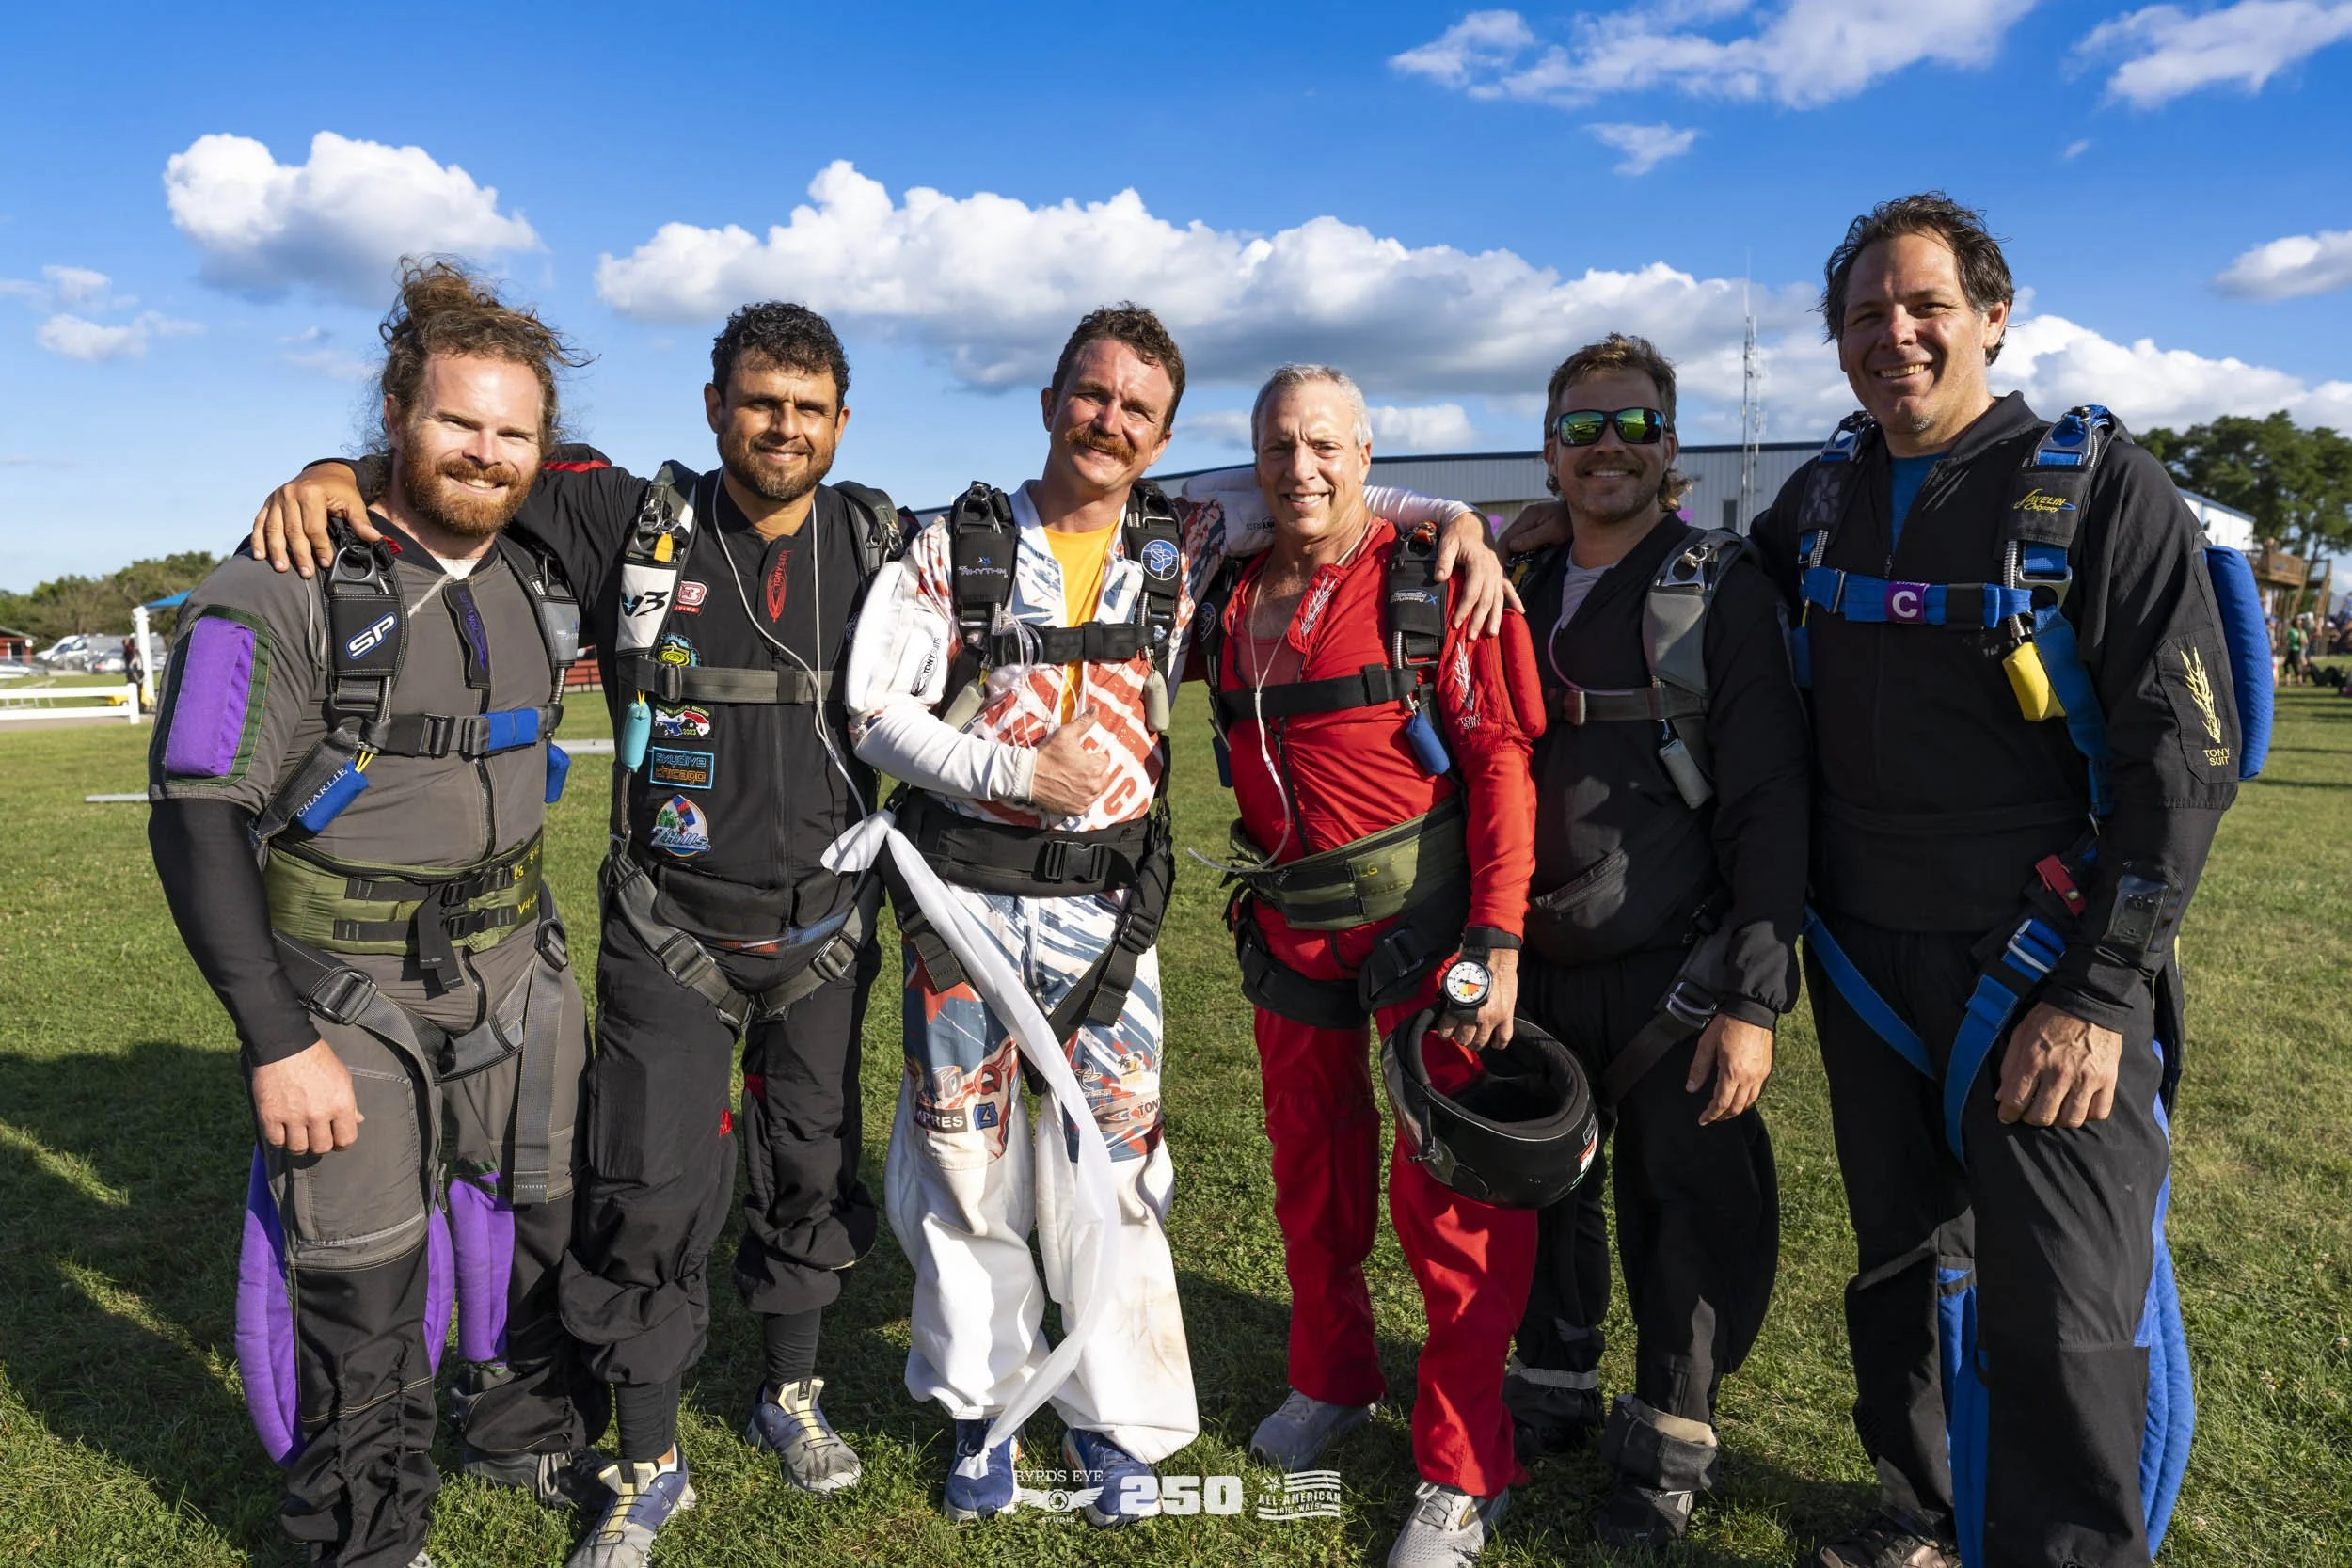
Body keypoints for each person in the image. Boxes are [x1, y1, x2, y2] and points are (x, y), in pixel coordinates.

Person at [249, 303, 912, 1568]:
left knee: (808, 1163)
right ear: (716, 406)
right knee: (647, 1189)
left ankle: (792, 1387)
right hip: (671, 930)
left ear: (841, 422)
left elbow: (1068, 529)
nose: (784, 426)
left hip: (826, 930)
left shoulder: (886, 540)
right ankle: (648, 1455)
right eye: (760, 401)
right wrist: (334, 472)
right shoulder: (630, 516)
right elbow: (463, 468)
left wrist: (1416, 516)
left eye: (809, 407)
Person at [840, 309, 1508, 1528]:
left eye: (1137, 409)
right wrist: (1004, 775)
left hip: (1105, 912)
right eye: (1092, 396)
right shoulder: (958, 544)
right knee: (963, 1159)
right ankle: (985, 1408)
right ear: (1050, 398)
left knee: (1118, 1171)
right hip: (966, 902)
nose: (1109, 421)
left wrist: (1457, 516)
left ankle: (1115, 1417)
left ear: (1159, 435)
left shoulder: (1189, 531)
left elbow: (1336, 485)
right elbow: (873, 707)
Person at [1751, 195, 2240, 1568]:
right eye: (1862, 313)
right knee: (1905, 1270)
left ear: (1991, 315)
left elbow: (2184, 761)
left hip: (2048, 962)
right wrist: (1507, 523)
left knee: (2069, 1302)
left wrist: (2100, 988)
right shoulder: (1826, 495)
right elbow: (1725, 602)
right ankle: (1928, 1511)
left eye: (1923, 307)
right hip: (1867, 967)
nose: (1891, 335)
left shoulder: (2095, 488)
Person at [152, 261, 606, 1568]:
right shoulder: (280, 581)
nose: (487, 451)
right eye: (457, 421)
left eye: (514, 430)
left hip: (518, 965)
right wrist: (271, 1034)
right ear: (396, 411)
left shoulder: (539, 569)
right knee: (362, 1277)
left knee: (538, 1218)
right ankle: (364, 1531)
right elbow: (192, 817)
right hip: (340, 991)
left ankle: (523, 1425)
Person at [1200, 364, 1541, 1568]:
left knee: (1449, 1203)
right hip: (1289, 926)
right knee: (1311, 1169)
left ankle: (1461, 1469)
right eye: (1280, 445)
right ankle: (1331, 1377)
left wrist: (1496, 936)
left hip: (1424, 930)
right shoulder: (1222, 582)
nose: (1302, 468)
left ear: (1365, 451)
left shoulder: (1428, 579)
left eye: (1327, 445)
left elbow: (1499, 762)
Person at [1495, 335, 1804, 1547]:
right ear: (1550, 448)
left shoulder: (1715, 586)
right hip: (1532, 954)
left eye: (1631, 425)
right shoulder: (1514, 580)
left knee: (1683, 1209)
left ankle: (1671, 1436)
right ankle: (1553, 1386)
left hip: (1677, 968)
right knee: (1541, 1195)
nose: (1606, 448)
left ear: (1669, 445)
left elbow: (1773, 799)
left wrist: (1751, 998)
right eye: (1581, 427)